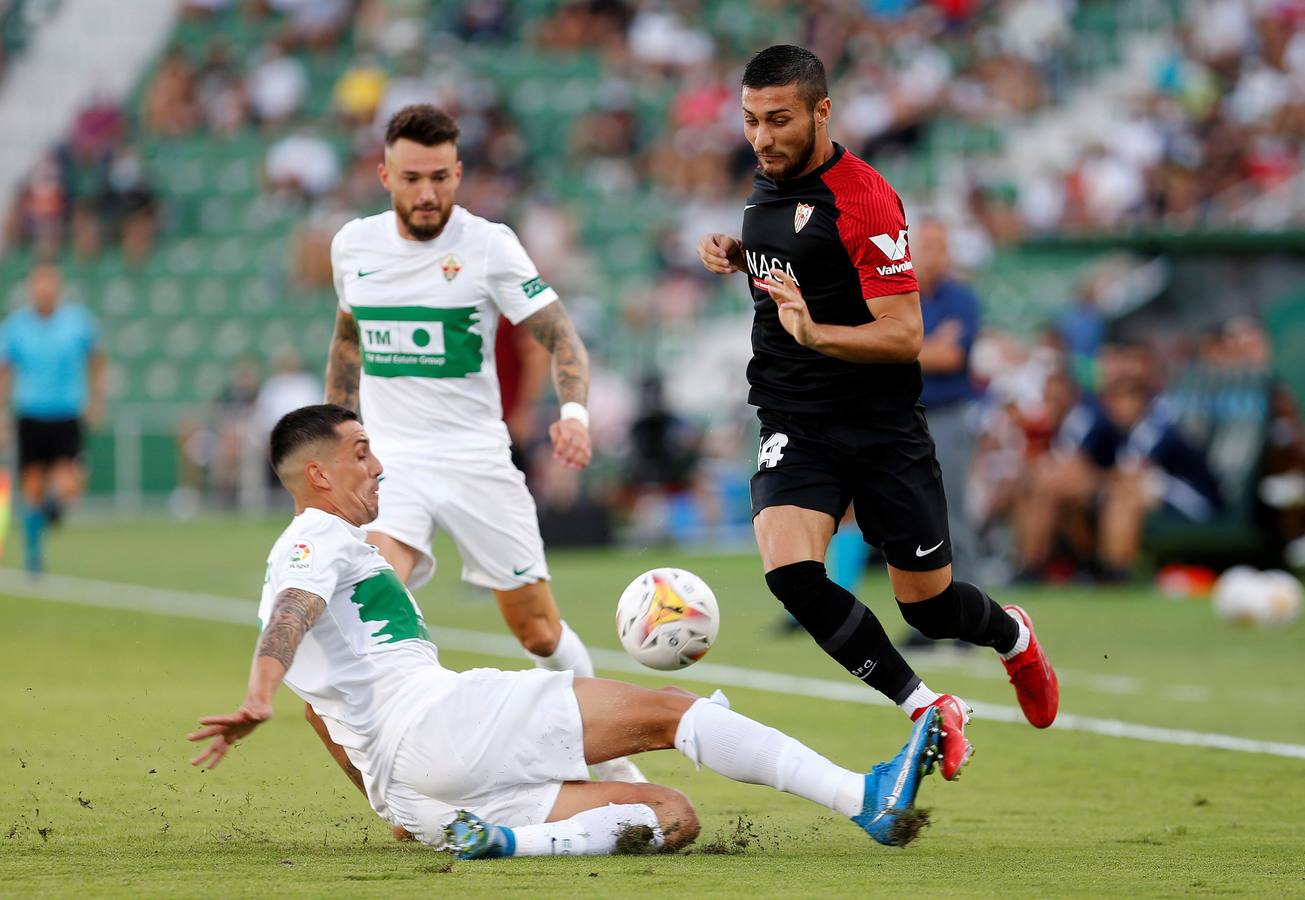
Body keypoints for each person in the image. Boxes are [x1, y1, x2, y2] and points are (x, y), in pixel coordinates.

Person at [187, 404, 944, 857]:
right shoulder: (314, 538)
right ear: (318, 475)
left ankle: (507, 843)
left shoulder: (328, 550)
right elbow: (293, 609)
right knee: (672, 717)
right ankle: (860, 797)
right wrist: (257, 693)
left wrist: (389, 804)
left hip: (416, 789)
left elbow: (321, 712)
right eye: (360, 453)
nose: (378, 466)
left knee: (670, 818)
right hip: (443, 723)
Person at [696, 45, 1059, 781]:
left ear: (821, 112)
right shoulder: (764, 184)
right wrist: (743, 256)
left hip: (882, 428)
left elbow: (903, 335)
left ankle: (1011, 634)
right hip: (796, 418)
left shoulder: (863, 198)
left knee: (928, 609)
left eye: (778, 120)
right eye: (749, 120)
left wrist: (815, 333)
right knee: (792, 574)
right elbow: (802, 263)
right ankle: (927, 706)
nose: (761, 137)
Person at [323, 105, 640, 781]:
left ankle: (608, 762)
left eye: (440, 177)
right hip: (391, 464)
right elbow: (349, 341)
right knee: (376, 597)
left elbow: (559, 336)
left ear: (459, 172)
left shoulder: (489, 244)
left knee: (539, 633)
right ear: (384, 175)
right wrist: (335, 437)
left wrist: (574, 414)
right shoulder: (352, 246)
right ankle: (414, 769)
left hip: (475, 460)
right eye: (412, 178)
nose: (428, 193)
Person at [0, 263, 105, 573]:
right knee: (31, 484)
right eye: (38, 284)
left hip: (66, 413)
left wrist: (96, 397)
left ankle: (42, 516)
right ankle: (33, 552)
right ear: (31, 289)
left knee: (70, 484)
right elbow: (5, 370)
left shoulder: (77, 322)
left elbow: (96, 359)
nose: (44, 290)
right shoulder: (16, 326)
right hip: (31, 413)